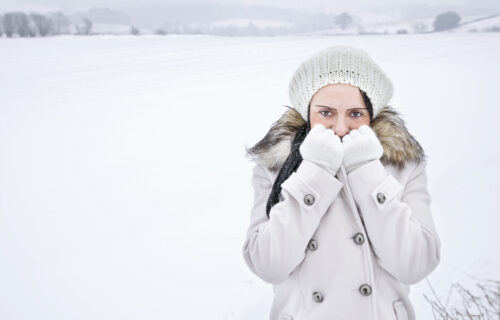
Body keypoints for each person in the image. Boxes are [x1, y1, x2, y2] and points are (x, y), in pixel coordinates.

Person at [241, 46, 441, 320]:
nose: (340, 127)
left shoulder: (402, 164)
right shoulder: (275, 167)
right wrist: (315, 171)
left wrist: (365, 171)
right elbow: (268, 265)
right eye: (326, 112)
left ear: (372, 113)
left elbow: (416, 265)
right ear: (307, 110)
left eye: (356, 114)